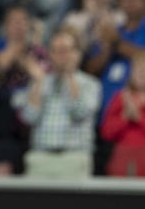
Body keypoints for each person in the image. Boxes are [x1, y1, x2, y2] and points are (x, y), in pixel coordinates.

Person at [12, 29, 102, 178]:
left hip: (74, 158)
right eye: (56, 51)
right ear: (50, 55)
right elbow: (29, 117)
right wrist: (38, 82)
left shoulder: (90, 84)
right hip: (40, 157)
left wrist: (69, 75)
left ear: (77, 54)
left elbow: (79, 112)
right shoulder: (41, 81)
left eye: (65, 51)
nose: (61, 57)